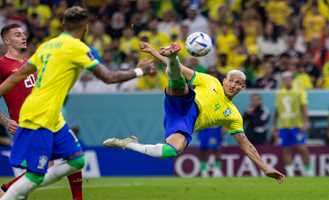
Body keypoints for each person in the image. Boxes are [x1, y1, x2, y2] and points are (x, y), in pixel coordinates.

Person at [0, 6, 155, 200]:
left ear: (63, 24)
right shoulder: (78, 47)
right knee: (34, 176)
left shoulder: (48, 45)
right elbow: (108, 77)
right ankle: (7, 194)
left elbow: (19, 76)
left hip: (53, 116)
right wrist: (139, 70)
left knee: (77, 160)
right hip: (38, 116)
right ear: (86, 28)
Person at [104, 42, 285, 183]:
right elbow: (182, 70)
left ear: (243, 87)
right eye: (231, 81)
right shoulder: (211, 81)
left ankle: (128, 144)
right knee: (180, 82)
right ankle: (174, 55)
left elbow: (246, 145)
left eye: (239, 84)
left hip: (184, 124)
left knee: (170, 151)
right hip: (186, 104)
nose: (233, 85)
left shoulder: (233, 115)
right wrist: (154, 52)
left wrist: (264, 167)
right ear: (224, 81)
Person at [0, 23, 86, 200]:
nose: (23, 37)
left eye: (23, 34)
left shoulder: (30, 63)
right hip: (28, 125)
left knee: (73, 158)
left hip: (50, 119)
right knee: (38, 172)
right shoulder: (2, 65)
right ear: (6, 40)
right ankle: (7, 190)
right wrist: (5, 121)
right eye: (17, 35)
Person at [272, 72, 313, 177]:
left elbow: (304, 107)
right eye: (285, 79)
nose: (287, 80)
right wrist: (274, 126)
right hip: (284, 125)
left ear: (292, 80)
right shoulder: (279, 93)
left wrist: (306, 121)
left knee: (302, 148)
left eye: (289, 78)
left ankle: (309, 171)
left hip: (297, 125)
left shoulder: (299, 92)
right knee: (286, 149)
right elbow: (276, 111)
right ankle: (290, 172)